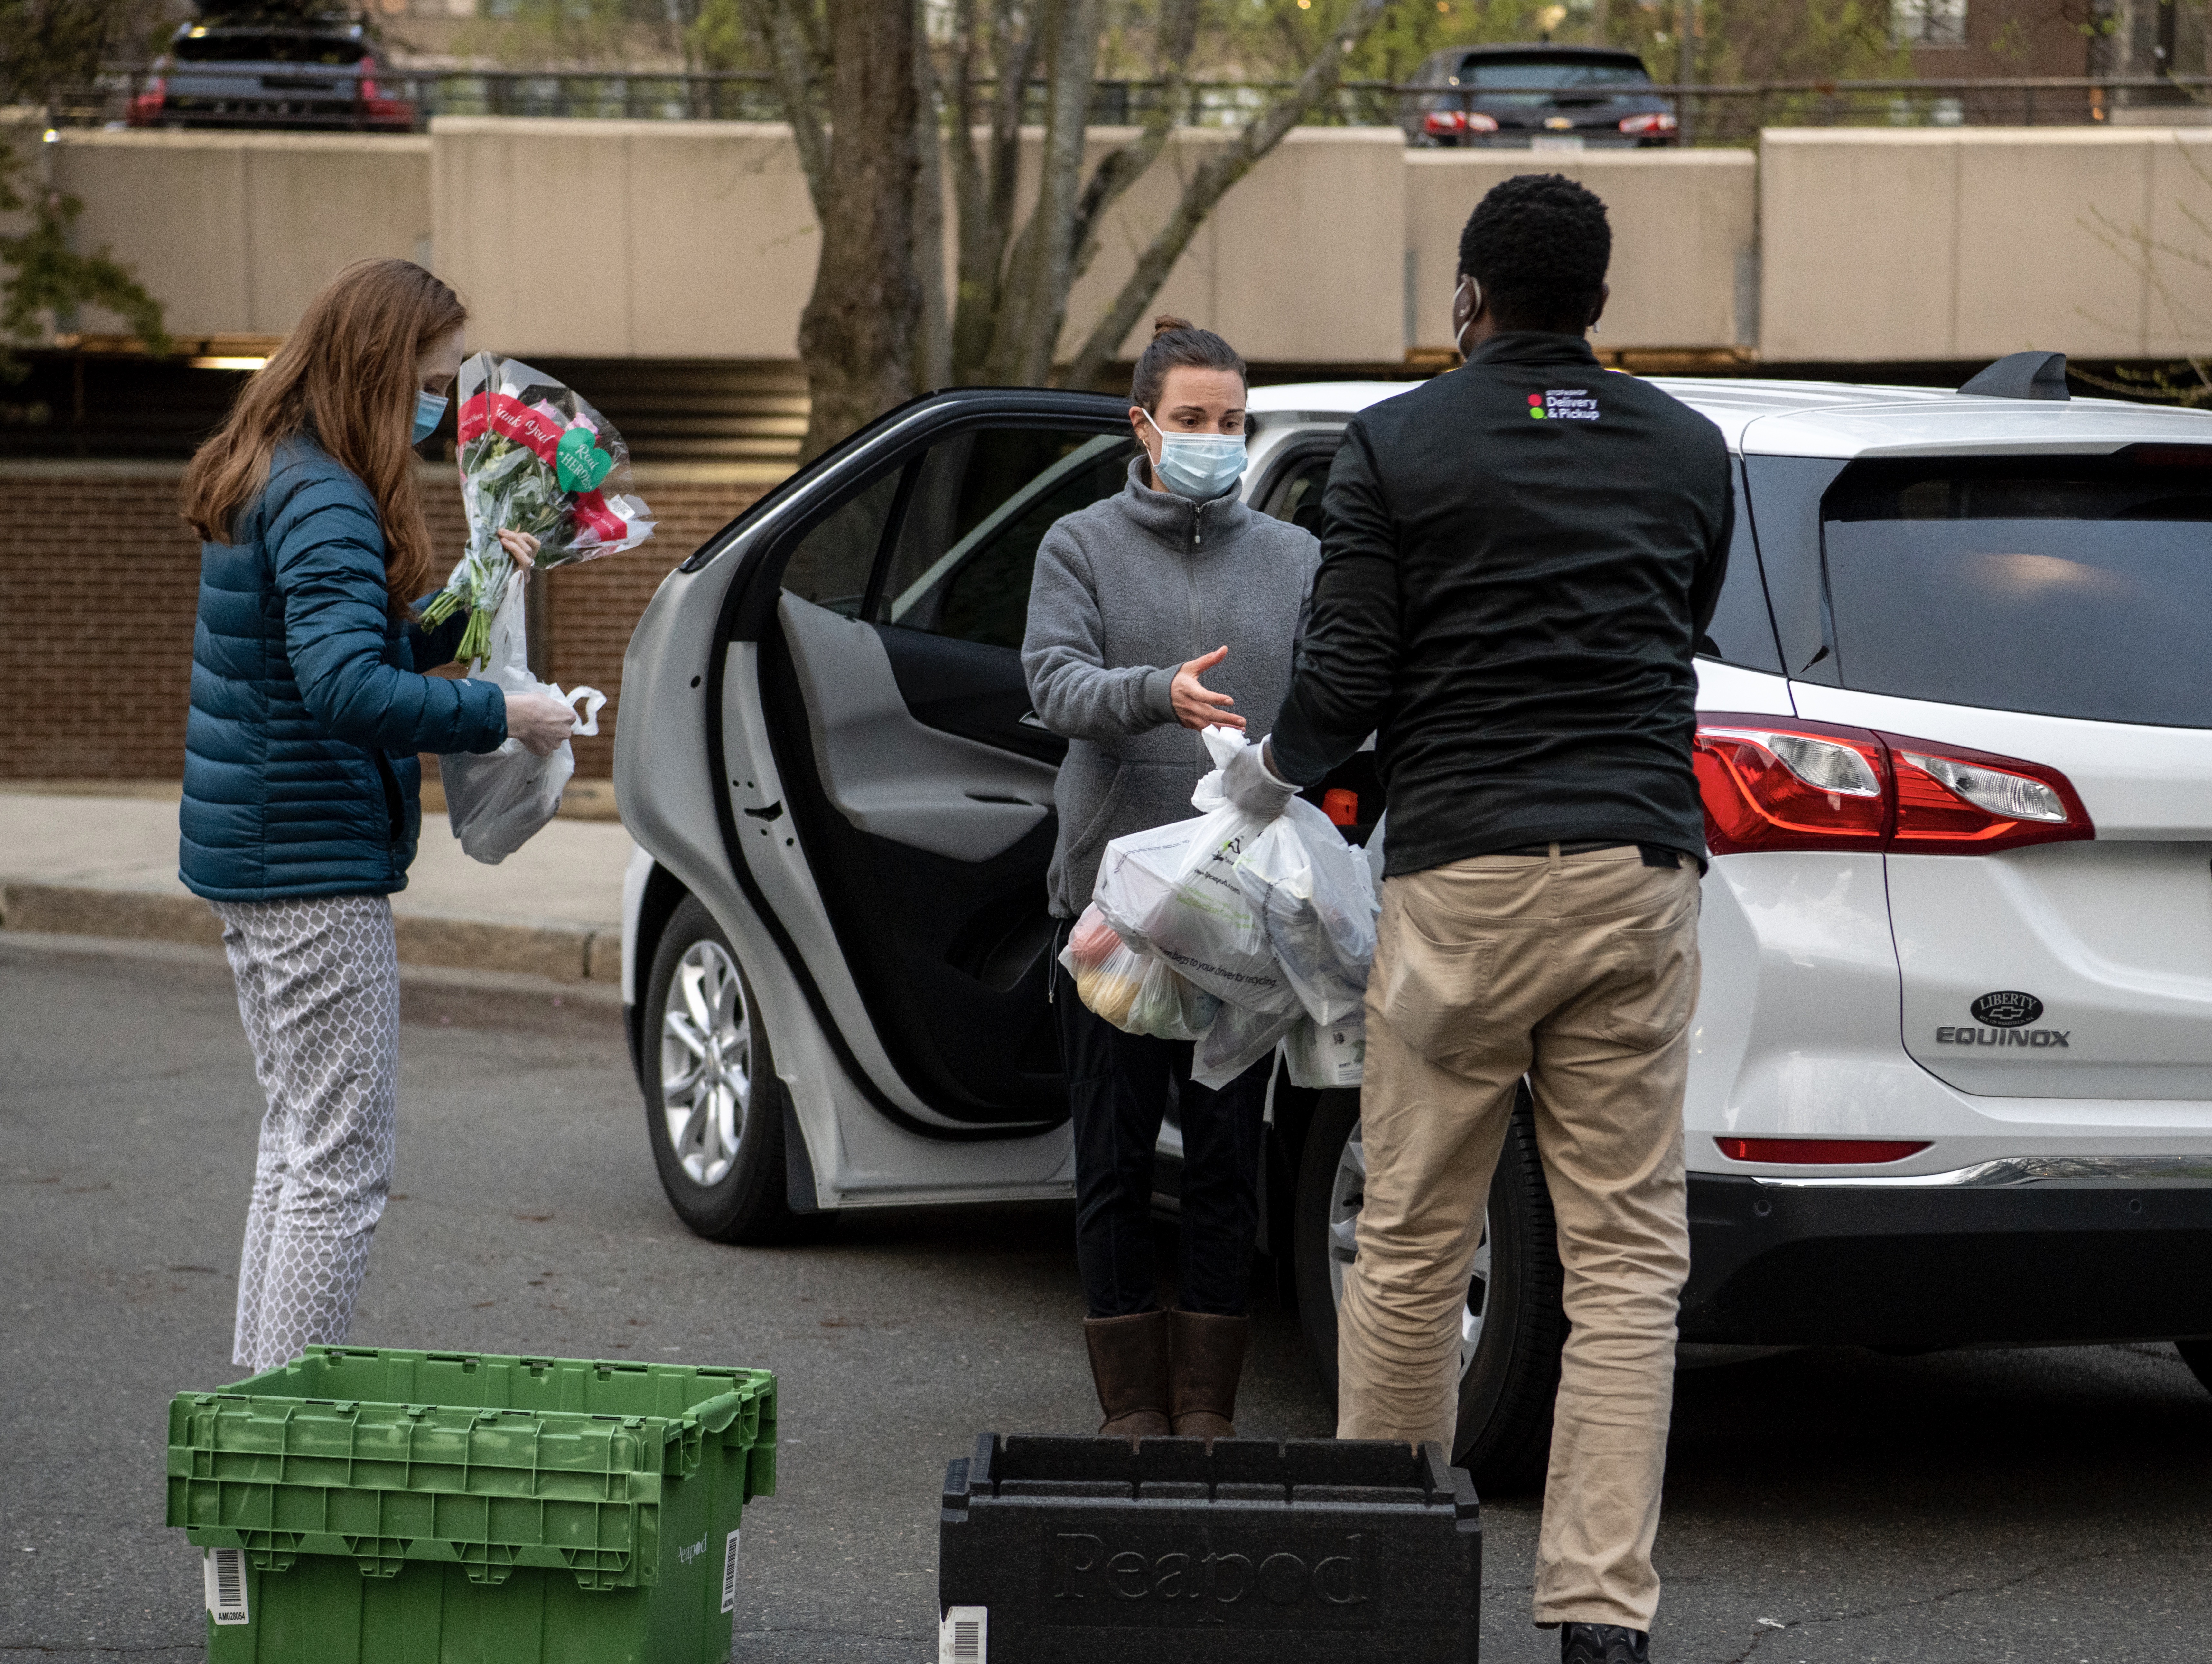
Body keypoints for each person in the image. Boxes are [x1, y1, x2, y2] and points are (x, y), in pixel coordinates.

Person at [1225, 176, 1732, 1664]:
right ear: (1598, 301)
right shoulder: (1688, 449)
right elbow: (1681, 622)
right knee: (1627, 1260)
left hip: (1464, 881)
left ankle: (1388, 1602)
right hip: (1638, 874)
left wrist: (1266, 778)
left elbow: (1347, 680)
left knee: (1412, 1239)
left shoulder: (1396, 444)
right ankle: (1600, 1619)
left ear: (1469, 297)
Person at [178, 257, 578, 1375]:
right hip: (308, 862)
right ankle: (283, 1420)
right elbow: (347, 689)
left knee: (298, 1145)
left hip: (262, 850)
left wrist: (475, 595)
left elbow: (352, 644)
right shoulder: (328, 499)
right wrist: (502, 713)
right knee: (341, 1169)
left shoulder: (282, 467)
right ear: (377, 367)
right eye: (433, 383)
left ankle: (261, 1411)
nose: (441, 409)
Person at [1022, 315, 1320, 1440]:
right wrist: (1156, 693)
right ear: (1142, 425)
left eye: (1230, 420)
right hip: (1113, 910)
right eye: (1190, 418)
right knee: (1111, 1157)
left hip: (1238, 913)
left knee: (1227, 1161)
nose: (1213, 438)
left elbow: (1329, 700)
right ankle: (1131, 1410)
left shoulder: (1293, 557)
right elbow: (1053, 683)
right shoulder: (1080, 545)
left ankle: (1206, 1407)